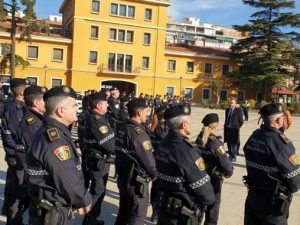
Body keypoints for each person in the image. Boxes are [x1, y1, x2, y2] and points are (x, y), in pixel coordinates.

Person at [26, 86, 92, 225]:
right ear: (61, 111)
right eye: (74, 105)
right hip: (52, 213)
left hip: (51, 209)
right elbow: (66, 177)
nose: (77, 109)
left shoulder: (54, 132)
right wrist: (84, 199)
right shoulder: (55, 140)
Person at [155, 105, 215, 225]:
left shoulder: (163, 143)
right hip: (181, 212)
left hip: (164, 207)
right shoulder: (187, 150)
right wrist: (210, 200)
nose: (191, 122)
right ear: (184, 125)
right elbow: (204, 190)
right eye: (190, 120)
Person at [243, 103, 300, 225]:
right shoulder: (281, 144)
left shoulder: (254, 137)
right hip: (273, 206)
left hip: (253, 200)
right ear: (279, 120)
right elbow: (295, 183)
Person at [114, 98, 157, 225]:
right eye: (146, 111)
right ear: (139, 113)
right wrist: (154, 174)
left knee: (123, 213)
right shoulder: (139, 134)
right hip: (136, 182)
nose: (147, 114)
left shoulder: (123, 127)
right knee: (136, 217)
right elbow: (148, 161)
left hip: (123, 177)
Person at [11, 85, 46, 224]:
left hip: (26, 169)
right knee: (22, 203)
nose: (46, 103)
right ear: (36, 103)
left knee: (22, 203)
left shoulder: (36, 119)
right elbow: (38, 151)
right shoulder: (32, 123)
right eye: (44, 100)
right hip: (28, 171)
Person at [83, 91, 115, 225]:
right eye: (105, 103)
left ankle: (91, 218)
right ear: (98, 105)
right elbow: (110, 145)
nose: (108, 105)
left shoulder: (95, 117)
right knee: (98, 191)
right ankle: (90, 220)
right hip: (98, 161)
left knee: (96, 190)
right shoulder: (97, 121)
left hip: (95, 159)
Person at [195, 113, 233, 225]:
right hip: (213, 179)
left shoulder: (198, 138)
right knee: (213, 209)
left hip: (199, 177)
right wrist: (228, 173)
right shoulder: (215, 143)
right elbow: (227, 165)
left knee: (199, 205)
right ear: (215, 125)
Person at [1, 78, 27, 222]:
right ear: (22, 92)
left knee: (12, 187)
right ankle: (14, 219)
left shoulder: (15, 106)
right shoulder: (16, 109)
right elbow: (15, 135)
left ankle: (9, 211)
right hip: (17, 155)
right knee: (17, 190)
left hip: (15, 155)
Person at [149, 106, 168, 222]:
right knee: (157, 189)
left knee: (158, 189)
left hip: (163, 162)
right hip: (159, 162)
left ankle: (157, 213)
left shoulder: (166, 126)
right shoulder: (156, 128)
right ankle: (155, 213)